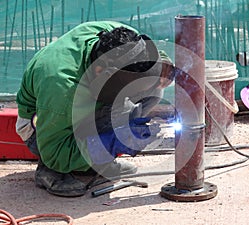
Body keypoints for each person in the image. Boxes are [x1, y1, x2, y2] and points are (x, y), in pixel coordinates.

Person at [15, 21, 175, 197]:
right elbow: (54, 150)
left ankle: (93, 160)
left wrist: (163, 65)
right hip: (43, 127)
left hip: (85, 100)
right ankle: (50, 171)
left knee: (154, 90)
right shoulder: (60, 85)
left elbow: (147, 52)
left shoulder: (118, 38)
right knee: (57, 157)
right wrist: (113, 142)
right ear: (101, 72)